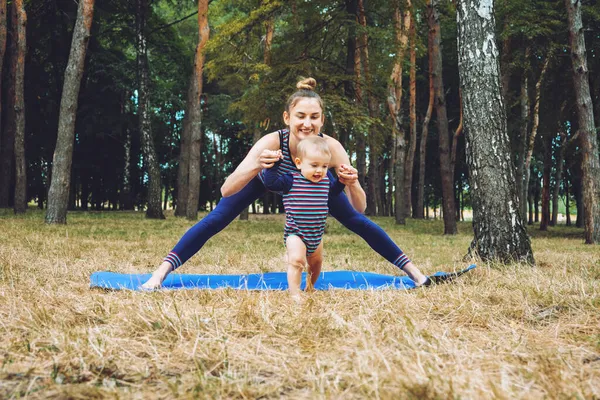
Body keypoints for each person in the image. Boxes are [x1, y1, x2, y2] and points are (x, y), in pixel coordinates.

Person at [142, 77, 432, 290]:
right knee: (216, 218)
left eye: (314, 117)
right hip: (269, 178)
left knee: (359, 224)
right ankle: (160, 274)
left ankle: (415, 274)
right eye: (300, 116)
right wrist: (259, 165)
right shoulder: (271, 142)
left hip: (315, 186)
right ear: (287, 117)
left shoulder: (331, 149)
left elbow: (361, 209)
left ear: (322, 120)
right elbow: (226, 190)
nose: (307, 123)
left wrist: (353, 184)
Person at [261, 136, 345, 300]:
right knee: (297, 261)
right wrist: (275, 165)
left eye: (324, 166)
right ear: (299, 163)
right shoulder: (291, 179)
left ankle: (310, 287)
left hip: (316, 235)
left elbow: (334, 193)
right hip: (296, 233)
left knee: (316, 263)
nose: (319, 170)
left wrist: (341, 181)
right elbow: (270, 184)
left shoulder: (325, 180)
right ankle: (294, 294)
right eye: (314, 165)